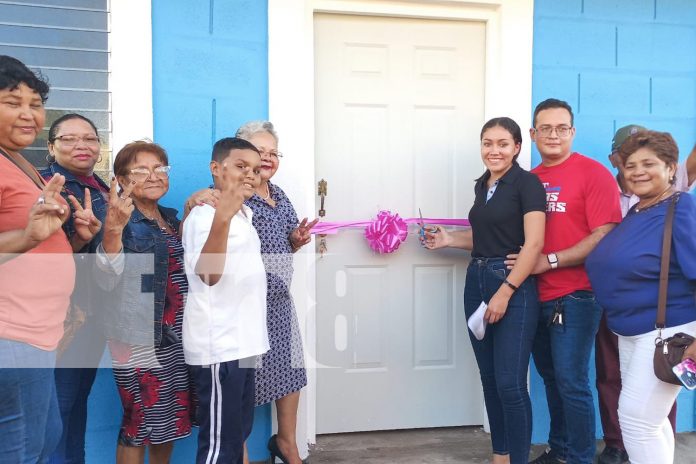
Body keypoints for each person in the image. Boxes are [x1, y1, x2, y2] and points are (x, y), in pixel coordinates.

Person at [423, 117, 546, 464]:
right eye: (487, 143)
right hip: (476, 280)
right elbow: (486, 237)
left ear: (517, 147)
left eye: (503, 143)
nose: (494, 150)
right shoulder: (483, 186)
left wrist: (506, 291)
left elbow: (533, 244)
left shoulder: (528, 184)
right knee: (490, 378)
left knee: (510, 383)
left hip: (512, 286)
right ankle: (500, 456)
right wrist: (448, 239)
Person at [0, 55, 97, 462]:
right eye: (12, 102)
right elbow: (25, 240)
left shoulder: (18, 161)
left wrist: (75, 239)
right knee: (22, 450)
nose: (28, 114)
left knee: (44, 440)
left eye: (35, 103)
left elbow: (36, 247)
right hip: (11, 333)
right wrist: (27, 237)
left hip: (39, 332)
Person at [521, 99, 622, 464]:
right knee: (551, 378)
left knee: (572, 381)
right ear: (533, 134)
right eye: (545, 128)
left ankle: (580, 457)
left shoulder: (592, 174)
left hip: (576, 296)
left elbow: (605, 232)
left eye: (561, 128)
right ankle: (560, 449)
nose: (553, 135)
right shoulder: (528, 180)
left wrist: (550, 261)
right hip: (534, 296)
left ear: (572, 132)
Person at [586, 130, 696, 464]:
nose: (638, 171)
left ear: (671, 168)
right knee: (652, 421)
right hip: (631, 333)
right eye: (631, 165)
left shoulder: (680, 207)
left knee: (636, 421)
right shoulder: (639, 209)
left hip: (665, 332)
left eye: (649, 163)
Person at [96, 141, 196, 464]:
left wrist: (193, 207)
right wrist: (112, 229)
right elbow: (105, 277)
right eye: (141, 170)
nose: (153, 176)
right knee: (138, 423)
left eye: (159, 168)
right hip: (138, 336)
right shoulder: (118, 219)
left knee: (169, 421)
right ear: (122, 181)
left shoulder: (170, 218)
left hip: (178, 336)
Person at [182, 137, 270, 464]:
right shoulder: (205, 216)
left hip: (245, 344)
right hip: (220, 346)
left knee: (236, 436)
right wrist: (222, 217)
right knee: (219, 446)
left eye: (256, 169)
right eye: (240, 166)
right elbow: (208, 275)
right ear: (216, 169)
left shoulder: (243, 214)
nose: (250, 174)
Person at [235, 121, 316, 464]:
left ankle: (286, 444)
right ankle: (238, 455)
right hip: (241, 305)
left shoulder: (279, 195)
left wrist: (295, 242)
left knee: (291, 372)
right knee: (240, 384)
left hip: (279, 301)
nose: (267, 158)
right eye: (259, 151)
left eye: (273, 152)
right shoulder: (230, 193)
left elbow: (285, 242)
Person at [40, 113, 109, 464]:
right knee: (58, 409)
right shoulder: (45, 186)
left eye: (89, 138)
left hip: (95, 314)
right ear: (51, 147)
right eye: (69, 139)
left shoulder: (102, 188)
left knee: (77, 402)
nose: (81, 145)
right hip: (63, 316)